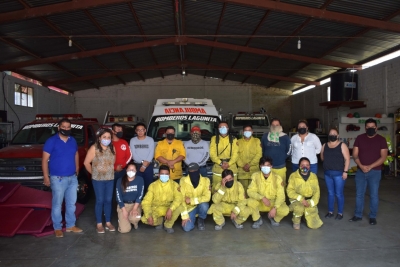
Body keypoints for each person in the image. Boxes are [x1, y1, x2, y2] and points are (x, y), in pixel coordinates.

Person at [42, 118, 83, 238]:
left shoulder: (72, 140)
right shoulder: (51, 141)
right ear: (59, 128)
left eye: (68, 127)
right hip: (58, 178)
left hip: (72, 178)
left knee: (71, 203)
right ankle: (57, 227)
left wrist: (77, 168)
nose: (66, 129)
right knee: (57, 204)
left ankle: (70, 225)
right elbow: (44, 160)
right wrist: (46, 176)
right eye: (63, 127)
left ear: (70, 128)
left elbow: (76, 154)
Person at [349, 118, 388, 225]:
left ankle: (372, 216)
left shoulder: (381, 140)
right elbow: (355, 154)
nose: (370, 129)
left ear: (376, 128)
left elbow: (383, 157)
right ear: (365, 128)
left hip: (375, 172)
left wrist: (370, 166)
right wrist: (361, 166)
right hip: (361, 172)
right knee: (359, 194)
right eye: (368, 127)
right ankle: (357, 215)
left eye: (372, 127)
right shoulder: (360, 138)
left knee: (374, 195)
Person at [84, 128, 116, 234]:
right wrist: (94, 173)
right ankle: (99, 223)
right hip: (98, 180)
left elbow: (112, 162)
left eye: (109, 137)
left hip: (110, 179)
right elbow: (86, 163)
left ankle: (108, 222)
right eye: (104, 137)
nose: (106, 139)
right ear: (99, 138)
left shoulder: (112, 148)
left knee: (108, 200)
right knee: (100, 200)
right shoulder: (94, 148)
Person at [141, 165, 185, 234]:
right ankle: (160, 221)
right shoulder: (153, 185)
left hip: (168, 208)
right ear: (158, 175)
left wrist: (171, 209)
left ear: (169, 175)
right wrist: (148, 215)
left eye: (166, 174)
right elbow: (146, 202)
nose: (164, 176)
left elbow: (178, 198)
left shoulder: (175, 185)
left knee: (180, 206)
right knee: (145, 219)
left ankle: (168, 225)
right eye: (162, 174)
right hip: (156, 208)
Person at [247, 157, 289, 228]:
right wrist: (262, 197)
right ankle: (257, 219)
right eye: (264, 165)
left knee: (285, 210)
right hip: (260, 202)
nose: (266, 167)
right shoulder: (255, 176)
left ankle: (274, 218)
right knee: (249, 202)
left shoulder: (277, 178)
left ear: (271, 166)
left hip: (272, 203)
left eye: (268, 165)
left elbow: (281, 196)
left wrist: (275, 208)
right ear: (260, 166)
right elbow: (250, 191)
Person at [320, 128, 350, 220]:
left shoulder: (342, 145)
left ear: (338, 135)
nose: (332, 135)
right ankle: (330, 212)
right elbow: (322, 157)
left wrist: (345, 171)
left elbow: (347, 159)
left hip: (339, 174)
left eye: (334, 133)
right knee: (330, 193)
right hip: (327, 173)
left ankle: (340, 213)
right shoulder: (325, 145)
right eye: (330, 133)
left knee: (338, 194)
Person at [286, 157, 323, 230]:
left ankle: (304, 216)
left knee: (314, 225)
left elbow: (317, 192)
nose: (305, 167)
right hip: (297, 199)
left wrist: (312, 202)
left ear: (310, 166)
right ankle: (296, 222)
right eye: (302, 165)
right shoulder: (293, 176)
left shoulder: (314, 176)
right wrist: (301, 199)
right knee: (299, 208)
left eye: (307, 165)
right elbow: (290, 191)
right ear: (299, 166)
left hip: (309, 200)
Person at [180, 163, 211, 232]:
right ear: (188, 172)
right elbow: (181, 199)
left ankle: (201, 219)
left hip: (200, 205)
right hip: (190, 208)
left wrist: (191, 200)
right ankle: (192, 217)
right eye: (191, 172)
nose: (193, 173)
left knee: (204, 206)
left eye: (195, 171)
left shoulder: (206, 181)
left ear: (199, 171)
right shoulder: (183, 181)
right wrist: (185, 216)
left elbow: (207, 197)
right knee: (187, 228)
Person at [210, 121, 239, 191]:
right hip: (218, 168)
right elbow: (212, 153)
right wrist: (220, 163)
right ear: (218, 129)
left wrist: (229, 163)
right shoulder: (214, 139)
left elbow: (236, 153)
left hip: (231, 167)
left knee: (233, 189)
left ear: (228, 128)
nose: (223, 128)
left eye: (225, 127)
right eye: (221, 127)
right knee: (217, 189)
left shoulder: (234, 139)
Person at [261, 118, 291, 185]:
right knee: (268, 186)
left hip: (280, 167)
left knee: (281, 185)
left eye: (277, 125)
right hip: (267, 167)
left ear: (280, 126)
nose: (275, 127)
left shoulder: (285, 137)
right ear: (270, 126)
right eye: (273, 125)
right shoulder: (265, 136)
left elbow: (289, 150)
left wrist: (282, 158)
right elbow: (262, 149)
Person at [116, 163, 144, 233]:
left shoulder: (140, 180)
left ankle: (134, 223)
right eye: (129, 169)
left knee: (134, 218)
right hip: (123, 205)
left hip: (135, 204)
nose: (131, 171)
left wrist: (134, 209)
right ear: (126, 170)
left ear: (136, 171)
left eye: (133, 170)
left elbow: (140, 195)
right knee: (124, 230)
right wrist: (124, 210)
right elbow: (118, 196)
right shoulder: (120, 180)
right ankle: (123, 219)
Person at [130, 122, 155, 195]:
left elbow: (151, 153)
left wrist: (144, 165)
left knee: (149, 185)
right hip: (137, 166)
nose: (140, 132)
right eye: (138, 130)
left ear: (145, 130)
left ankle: (148, 202)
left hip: (148, 166)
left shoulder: (150, 140)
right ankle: (138, 203)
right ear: (135, 131)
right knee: (138, 185)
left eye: (142, 130)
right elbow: (133, 154)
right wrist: (142, 162)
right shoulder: (133, 140)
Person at [237, 125, 262, 194]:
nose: (247, 132)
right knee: (242, 192)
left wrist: (249, 165)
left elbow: (259, 154)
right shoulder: (238, 142)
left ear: (252, 132)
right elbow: (236, 155)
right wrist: (243, 165)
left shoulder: (257, 141)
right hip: (242, 172)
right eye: (246, 130)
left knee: (254, 192)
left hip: (254, 171)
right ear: (243, 132)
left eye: (249, 130)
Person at [111, 123, 132, 187]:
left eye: (121, 130)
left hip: (122, 170)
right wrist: (114, 168)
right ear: (113, 131)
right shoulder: (108, 143)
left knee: (122, 188)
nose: (120, 131)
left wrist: (122, 166)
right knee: (111, 190)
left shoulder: (124, 142)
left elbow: (129, 155)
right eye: (118, 129)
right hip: (111, 171)